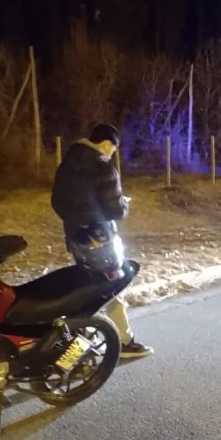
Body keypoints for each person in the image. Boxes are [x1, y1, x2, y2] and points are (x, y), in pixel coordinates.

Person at [51, 123, 153, 359]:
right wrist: (124, 205)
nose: (113, 154)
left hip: (76, 237)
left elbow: (58, 202)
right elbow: (116, 208)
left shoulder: (67, 164)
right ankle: (114, 343)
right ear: (107, 144)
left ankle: (81, 342)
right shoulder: (103, 169)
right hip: (101, 242)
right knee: (109, 289)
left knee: (88, 288)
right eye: (114, 149)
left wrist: (79, 221)